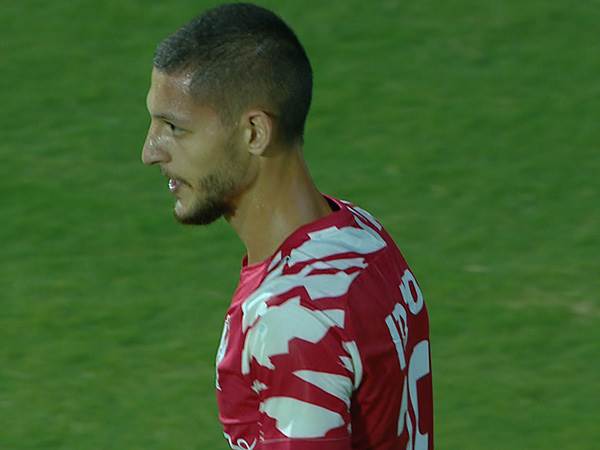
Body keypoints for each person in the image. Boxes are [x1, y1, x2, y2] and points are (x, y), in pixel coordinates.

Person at [141, 3, 433, 449]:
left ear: (254, 132)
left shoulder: (293, 316)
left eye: (174, 127)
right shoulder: (359, 234)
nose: (150, 151)